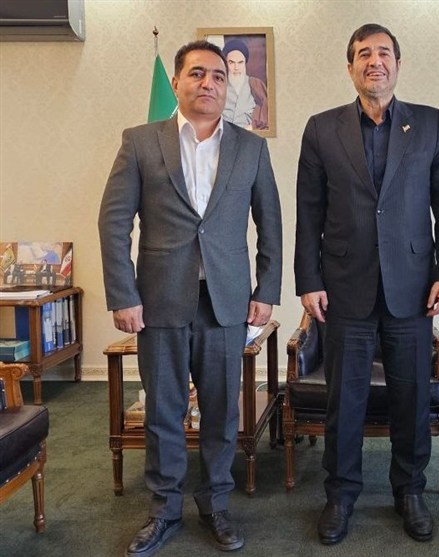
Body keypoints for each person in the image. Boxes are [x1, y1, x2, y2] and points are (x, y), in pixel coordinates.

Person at [98, 40, 282, 557]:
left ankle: (216, 504)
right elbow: (114, 222)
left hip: (226, 301)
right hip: (158, 299)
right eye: (198, 73)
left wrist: (267, 290)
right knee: (163, 410)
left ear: (227, 87)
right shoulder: (140, 142)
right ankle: (164, 509)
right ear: (177, 82)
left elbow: (270, 223)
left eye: (219, 76)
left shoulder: (251, 147)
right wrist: (123, 294)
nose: (209, 83)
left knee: (222, 411)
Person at [294, 23, 439, 546]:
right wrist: (308, 280)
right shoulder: (321, 129)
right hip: (344, 287)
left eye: (384, 52)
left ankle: (408, 490)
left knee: (412, 396)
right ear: (350, 67)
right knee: (343, 398)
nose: (375, 61)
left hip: (413, 288)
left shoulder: (430, 124)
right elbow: (309, 211)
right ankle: (341, 494)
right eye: (363, 54)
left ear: (398, 64)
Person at [221, 39, 269, 130]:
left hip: (249, 134)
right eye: (231, 62)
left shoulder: (256, 84)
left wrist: (253, 126)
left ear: (245, 63)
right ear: (226, 64)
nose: (236, 68)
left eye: (240, 62)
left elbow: (267, 110)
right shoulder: (219, 86)